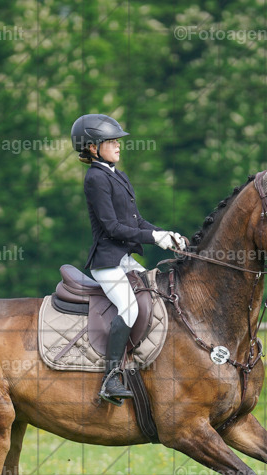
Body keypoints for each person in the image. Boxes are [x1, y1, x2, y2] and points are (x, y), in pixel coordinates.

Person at [70, 114, 187, 404]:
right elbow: (112, 227)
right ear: (93, 148)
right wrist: (152, 239)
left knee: (158, 297)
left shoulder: (116, 174)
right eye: (111, 141)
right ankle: (111, 378)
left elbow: (136, 220)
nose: (118, 146)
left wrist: (164, 234)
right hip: (107, 262)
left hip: (124, 259)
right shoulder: (95, 178)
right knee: (129, 307)